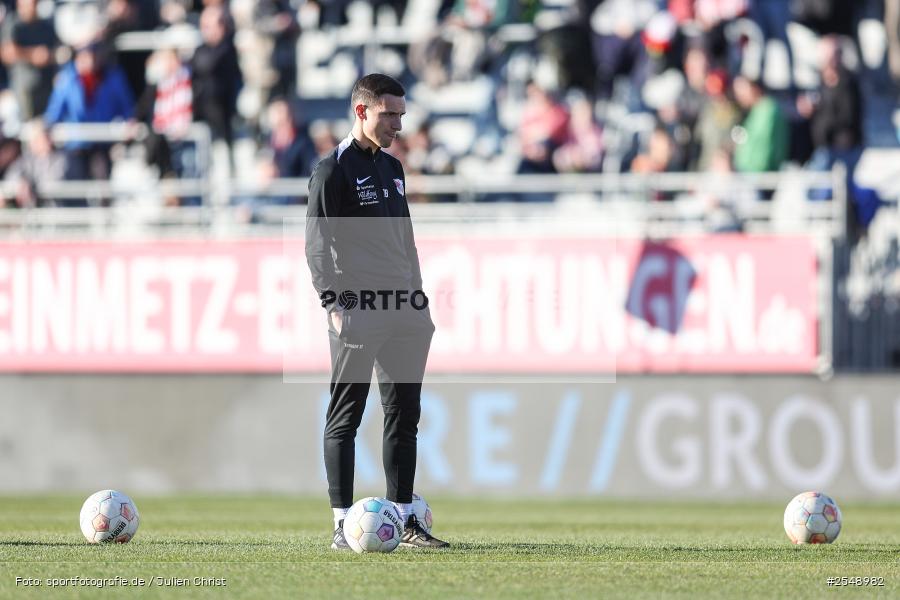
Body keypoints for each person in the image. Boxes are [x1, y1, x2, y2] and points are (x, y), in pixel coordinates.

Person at [305, 73, 449, 550]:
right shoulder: (332, 172)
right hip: (358, 311)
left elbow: (406, 241)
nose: (397, 125)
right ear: (362, 111)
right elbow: (317, 246)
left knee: (404, 415)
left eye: (402, 116)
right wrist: (333, 305)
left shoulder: (393, 168)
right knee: (345, 417)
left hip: (404, 310)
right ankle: (340, 524)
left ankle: (406, 519)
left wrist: (418, 297)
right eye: (390, 115)